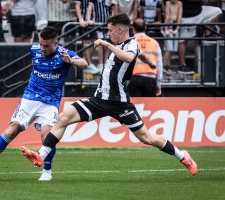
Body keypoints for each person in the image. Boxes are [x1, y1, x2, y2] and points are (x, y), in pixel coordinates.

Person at [21, 14, 198, 178]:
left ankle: (183, 156)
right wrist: (150, 62)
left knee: (147, 137)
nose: (109, 33)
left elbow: (129, 57)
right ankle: (40, 155)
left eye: (110, 30)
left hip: (119, 103)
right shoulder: (126, 46)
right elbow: (140, 56)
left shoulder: (131, 44)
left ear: (119, 30)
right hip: (99, 100)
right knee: (64, 117)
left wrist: (106, 44)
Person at [0, 26, 88, 181]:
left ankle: (47, 172)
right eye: (41, 44)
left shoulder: (65, 54)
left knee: (47, 136)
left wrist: (71, 61)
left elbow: (84, 63)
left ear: (55, 43)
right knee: (12, 130)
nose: (42, 48)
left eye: (46, 45)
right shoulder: (34, 50)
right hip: (30, 98)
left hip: (50, 102)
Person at [178, 0, 222, 72]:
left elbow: (204, 2)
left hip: (199, 12)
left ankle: (208, 29)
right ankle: (182, 65)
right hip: (186, 17)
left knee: (218, 11)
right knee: (182, 41)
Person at [128, 18, 163, 97]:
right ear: (145, 27)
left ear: (133, 29)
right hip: (150, 79)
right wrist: (159, 84)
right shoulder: (154, 42)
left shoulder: (130, 42)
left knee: (135, 106)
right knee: (150, 106)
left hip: (134, 79)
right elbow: (159, 64)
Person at [162, 0, 182, 68]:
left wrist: (177, 29)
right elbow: (166, 17)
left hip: (175, 25)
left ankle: (168, 66)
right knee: (168, 48)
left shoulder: (179, 3)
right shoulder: (168, 3)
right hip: (168, 25)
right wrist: (166, 29)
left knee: (172, 49)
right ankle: (164, 66)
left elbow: (179, 17)